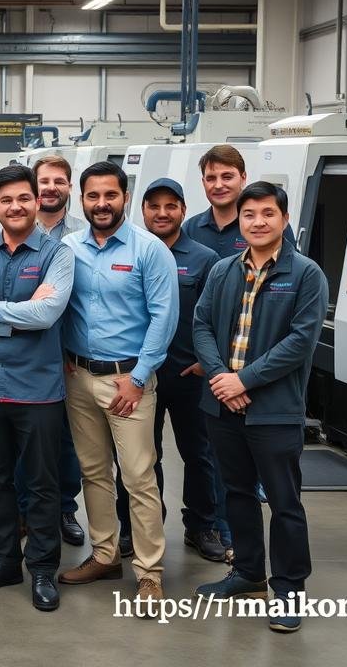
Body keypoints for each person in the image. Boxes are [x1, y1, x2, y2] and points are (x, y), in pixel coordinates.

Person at [193, 182, 326, 634]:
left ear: (284, 219)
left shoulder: (305, 274)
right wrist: (221, 379)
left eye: (268, 213)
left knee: (285, 502)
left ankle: (289, 589)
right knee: (237, 493)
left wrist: (243, 380)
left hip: (274, 410)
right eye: (249, 214)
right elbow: (201, 326)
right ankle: (249, 572)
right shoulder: (223, 270)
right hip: (223, 406)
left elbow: (300, 342)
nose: (258, 222)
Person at [0, 164, 73, 612]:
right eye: (6, 200)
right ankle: (4, 560)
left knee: (42, 484)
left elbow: (48, 315)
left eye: (24, 198)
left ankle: (42, 568)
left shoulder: (58, 255)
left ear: (37, 201)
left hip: (38, 390)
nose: (16, 206)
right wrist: (17, 317)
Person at [57, 161, 176, 609]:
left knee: (138, 477)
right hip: (78, 377)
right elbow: (58, 306)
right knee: (93, 472)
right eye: (93, 196)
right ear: (81, 200)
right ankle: (105, 555)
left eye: (110, 195)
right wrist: (62, 357)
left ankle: (149, 572)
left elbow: (164, 318)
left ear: (125, 197)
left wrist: (139, 378)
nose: (102, 203)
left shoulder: (149, 250)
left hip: (129, 381)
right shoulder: (68, 248)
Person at [184, 144, 295, 554]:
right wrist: (212, 367)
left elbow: (287, 315)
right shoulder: (193, 230)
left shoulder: (274, 237)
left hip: (257, 375)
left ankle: (235, 538)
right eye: (211, 177)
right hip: (206, 369)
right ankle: (204, 526)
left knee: (258, 474)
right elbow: (198, 314)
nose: (219, 184)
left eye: (227, 176)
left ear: (243, 178)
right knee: (205, 454)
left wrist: (241, 377)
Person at [114, 178, 226, 562]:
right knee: (138, 457)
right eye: (154, 206)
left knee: (199, 454)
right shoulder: (129, 251)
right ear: (142, 210)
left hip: (187, 374)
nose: (162, 213)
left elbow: (217, 316)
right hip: (138, 375)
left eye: (170, 206)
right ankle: (137, 528)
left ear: (182, 210)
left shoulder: (205, 258)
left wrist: (208, 361)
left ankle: (202, 526)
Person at [19, 153, 87, 547]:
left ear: (69, 187)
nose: (51, 188)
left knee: (67, 438)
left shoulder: (81, 234)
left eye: (59, 181)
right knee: (22, 438)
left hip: (70, 353)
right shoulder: (14, 230)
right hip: (24, 350)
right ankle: (23, 510)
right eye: (44, 181)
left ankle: (64, 509)